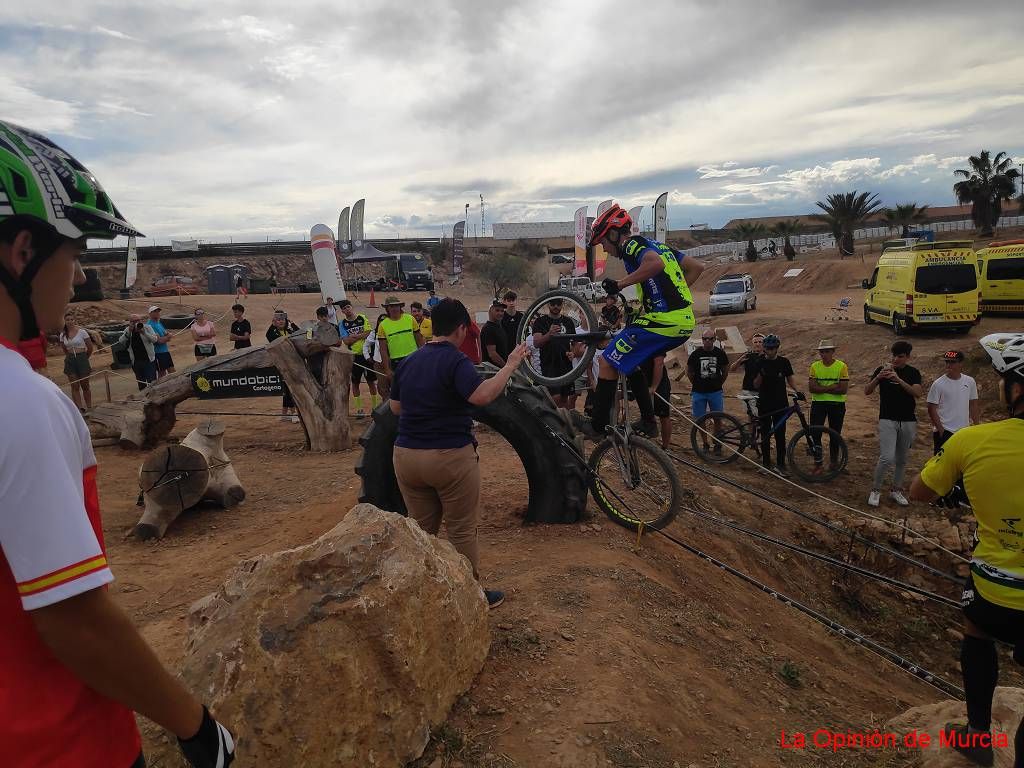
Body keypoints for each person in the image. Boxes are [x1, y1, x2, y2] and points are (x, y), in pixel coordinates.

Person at [0, 119, 235, 768]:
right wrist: (197, 727)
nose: (76, 281)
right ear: (22, 253)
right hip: (60, 744)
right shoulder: (19, 403)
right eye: (73, 257)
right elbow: (72, 619)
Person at [909, 332, 1024, 768]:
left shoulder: (971, 442)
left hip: (995, 590)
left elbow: (919, 491)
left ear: (1014, 389)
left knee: (976, 632)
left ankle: (977, 738)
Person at [389, 298, 528, 610]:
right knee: (461, 529)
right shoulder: (455, 361)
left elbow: (396, 407)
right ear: (462, 328)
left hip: (406, 456)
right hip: (449, 456)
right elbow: (482, 396)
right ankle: (470, 596)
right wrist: (509, 366)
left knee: (422, 530)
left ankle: (425, 594)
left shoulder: (410, 361)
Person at [572, 204, 703, 438]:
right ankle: (648, 422)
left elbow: (655, 264)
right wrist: (670, 296)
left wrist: (620, 284)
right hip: (681, 321)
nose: (603, 248)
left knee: (607, 362)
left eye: (603, 242)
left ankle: (597, 426)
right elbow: (696, 267)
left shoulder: (632, 245)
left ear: (614, 234)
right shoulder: (661, 246)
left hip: (665, 321)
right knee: (628, 361)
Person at [865, 340, 923, 507]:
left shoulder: (913, 372)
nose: (896, 359)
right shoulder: (882, 370)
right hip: (887, 419)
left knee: (902, 459)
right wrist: (878, 377)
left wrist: (898, 380)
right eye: (894, 355)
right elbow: (867, 391)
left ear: (908, 357)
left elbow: (917, 393)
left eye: (900, 356)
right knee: (886, 457)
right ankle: (875, 490)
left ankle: (896, 490)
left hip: (908, 421)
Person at [752, 334, 798, 476]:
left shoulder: (784, 362)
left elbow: (790, 378)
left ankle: (780, 465)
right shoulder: (759, 362)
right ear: (764, 348)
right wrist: (761, 373)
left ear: (777, 348)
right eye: (767, 348)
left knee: (780, 434)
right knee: (765, 434)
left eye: (772, 348)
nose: (770, 350)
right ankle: (765, 464)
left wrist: (797, 391)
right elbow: (755, 384)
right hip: (764, 403)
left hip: (780, 404)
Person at [807, 339, 850, 472]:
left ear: (832, 352)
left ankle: (833, 462)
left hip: (835, 404)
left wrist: (822, 387)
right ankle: (818, 463)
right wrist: (832, 386)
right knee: (816, 433)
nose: (824, 354)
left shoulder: (842, 366)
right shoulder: (815, 366)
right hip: (820, 403)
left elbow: (843, 389)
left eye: (826, 351)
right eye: (822, 352)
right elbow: (812, 388)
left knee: (835, 434)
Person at [927, 350, 980, 453]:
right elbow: (931, 408)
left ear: (961, 363)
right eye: (947, 362)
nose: (948, 365)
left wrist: (977, 427)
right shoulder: (938, 384)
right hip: (945, 430)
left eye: (952, 362)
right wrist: (941, 430)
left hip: (964, 431)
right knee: (941, 464)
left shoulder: (970, 381)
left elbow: (973, 405)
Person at [687, 329, 729, 453]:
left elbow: (725, 370)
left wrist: (720, 382)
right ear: (702, 339)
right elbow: (689, 371)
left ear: (714, 340)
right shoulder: (695, 354)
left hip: (715, 391)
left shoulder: (720, 353)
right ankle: (705, 443)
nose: (707, 341)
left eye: (710, 339)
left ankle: (717, 443)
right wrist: (695, 383)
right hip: (699, 392)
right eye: (705, 339)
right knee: (700, 419)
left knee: (717, 418)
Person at [531, 297, 578, 407]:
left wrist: (573, 353)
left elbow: (576, 343)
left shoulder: (568, 322)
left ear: (562, 304)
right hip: (549, 365)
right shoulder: (540, 322)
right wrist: (549, 334)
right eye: (553, 303)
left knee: (564, 399)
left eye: (558, 303)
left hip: (566, 365)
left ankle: (564, 423)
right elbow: (536, 343)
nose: (556, 306)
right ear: (548, 304)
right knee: (554, 399)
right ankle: (552, 423)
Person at [338, 299, 380, 418]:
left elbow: (368, 333)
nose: (347, 310)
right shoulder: (342, 324)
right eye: (344, 308)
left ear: (351, 307)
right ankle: (359, 409)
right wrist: (360, 336)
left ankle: (375, 407)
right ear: (342, 311)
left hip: (367, 355)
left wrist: (354, 336)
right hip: (354, 356)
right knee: (355, 383)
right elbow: (345, 340)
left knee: (371, 381)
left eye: (348, 307)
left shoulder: (362, 318)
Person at [378, 296, 423, 387]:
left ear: (400, 306)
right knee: (401, 388)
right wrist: (387, 369)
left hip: (413, 358)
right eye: (391, 306)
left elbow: (419, 340)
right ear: (387, 308)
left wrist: (423, 358)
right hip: (396, 361)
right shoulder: (383, 325)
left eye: (396, 306)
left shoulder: (410, 319)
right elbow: (383, 349)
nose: (394, 308)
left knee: (417, 385)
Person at [266, 311, 299, 422]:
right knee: (289, 389)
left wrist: (292, 324)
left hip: (294, 362)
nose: (280, 321)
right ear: (274, 321)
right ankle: (293, 413)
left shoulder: (289, 329)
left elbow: (301, 334)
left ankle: (284, 414)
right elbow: (269, 337)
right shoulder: (273, 332)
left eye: (282, 319)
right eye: (278, 319)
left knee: (289, 388)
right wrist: (272, 325)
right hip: (282, 364)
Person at [59, 312, 94, 411]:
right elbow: (64, 348)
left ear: (74, 320)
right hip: (70, 359)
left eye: (71, 319)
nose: (70, 321)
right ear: (65, 322)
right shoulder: (62, 334)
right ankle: (79, 408)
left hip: (82, 357)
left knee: (85, 384)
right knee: (74, 385)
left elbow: (90, 347)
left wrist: (84, 357)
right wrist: (69, 357)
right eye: (67, 320)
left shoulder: (82, 332)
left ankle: (89, 406)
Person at [731, 331, 765, 427]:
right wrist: (740, 360)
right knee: (751, 417)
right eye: (755, 342)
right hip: (748, 390)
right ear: (752, 344)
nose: (758, 344)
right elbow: (732, 369)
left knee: (762, 416)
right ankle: (752, 438)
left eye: (760, 342)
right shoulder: (748, 356)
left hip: (763, 390)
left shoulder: (767, 357)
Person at [118, 313, 159, 391]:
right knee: (141, 384)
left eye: (138, 320)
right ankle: (143, 400)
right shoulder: (128, 330)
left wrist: (144, 333)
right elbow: (121, 341)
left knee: (152, 382)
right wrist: (129, 331)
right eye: (134, 321)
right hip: (136, 361)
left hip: (149, 360)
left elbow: (155, 340)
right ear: (130, 322)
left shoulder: (147, 327)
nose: (136, 323)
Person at [642, 352, 672, 450]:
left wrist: (654, 386)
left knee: (664, 415)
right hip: (642, 380)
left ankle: (665, 447)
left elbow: (659, 363)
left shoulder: (657, 342)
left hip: (659, 384)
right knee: (645, 411)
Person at [481, 299, 511, 366]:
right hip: (492, 370)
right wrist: (506, 367)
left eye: (502, 311)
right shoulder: (488, 329)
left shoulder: (499, 327)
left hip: (500, 369)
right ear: (490, 311)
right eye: (497, 310)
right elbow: (492, 354)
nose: (500, 313)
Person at [147, 305, 174, 377]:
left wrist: (167, 337)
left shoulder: (158, 323)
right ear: (150, 314)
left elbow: (166, 334)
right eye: (155, 311)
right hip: (157, 353)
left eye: (158, 311)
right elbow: (159, 341)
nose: (157, 313)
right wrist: (167, 337)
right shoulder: (149, 325)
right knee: (162, 373)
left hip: (165, 351)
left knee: (172, 371)